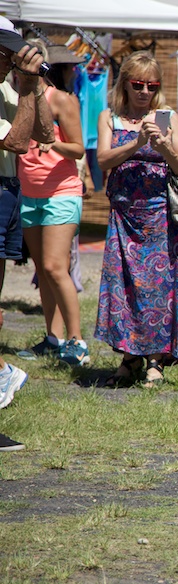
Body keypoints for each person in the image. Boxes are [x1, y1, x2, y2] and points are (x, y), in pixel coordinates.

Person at [95, 51, 178, 388]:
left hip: (159, 218)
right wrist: (137, 143)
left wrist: (163, 146)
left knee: (156, 291)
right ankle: (128, 357)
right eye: (137, 84)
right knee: (123, 289)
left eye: (151, 85)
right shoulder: (110, 117)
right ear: (125, 83)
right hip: (123, 217)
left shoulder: (167, 118)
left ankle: (155, 361)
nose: (144, 91)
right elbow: (103, 160)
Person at [0, 21, 55, 451]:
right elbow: (18, 142)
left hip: (9, 191)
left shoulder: (8, 85)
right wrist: (25, 86)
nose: (12, 59)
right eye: (7, 53)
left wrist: (34, 87)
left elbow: (46, 134)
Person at [17, 42, 88, 366]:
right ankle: (53, 337)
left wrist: (52, 142)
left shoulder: (60, 99)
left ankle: (77, 341)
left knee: (55, 268)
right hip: (29, 193)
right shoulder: (16, 98)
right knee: (42, 271)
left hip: (61, 192)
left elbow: (78, 149)